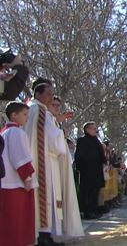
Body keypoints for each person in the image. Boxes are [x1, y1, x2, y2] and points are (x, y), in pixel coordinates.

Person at [24, 78, 83, 245]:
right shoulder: (39, 111)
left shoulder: (37, 110)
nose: (52, 97)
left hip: (46, 159)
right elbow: (51, 138)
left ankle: (47, 234)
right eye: (49, 94)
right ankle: (43, 235)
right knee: (46, 197)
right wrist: (61, 134)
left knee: (52, 198)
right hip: (44, 163)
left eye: (52, 94)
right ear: (38, 93)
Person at [0, 102, 37, 246]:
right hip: (17, 184)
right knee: (18, 220)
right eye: (25, 114)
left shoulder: (4, 132)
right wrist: (27, 178)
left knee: (8, 220)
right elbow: (20, 157)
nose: (27, 118)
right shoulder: (17, 132)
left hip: (6, 183)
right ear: (14, 115)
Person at [74, 122, 105, 220]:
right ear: (87, 130)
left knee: (95, 190)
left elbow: (101, 155)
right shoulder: (82, 140)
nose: (95, 130)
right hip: (87, 170)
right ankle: (87, 211)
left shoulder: (96, 141)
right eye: (93, 128)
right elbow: (79, 156)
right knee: (88, 192)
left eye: (95, 128)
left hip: (97, 170)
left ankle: (94, 209)